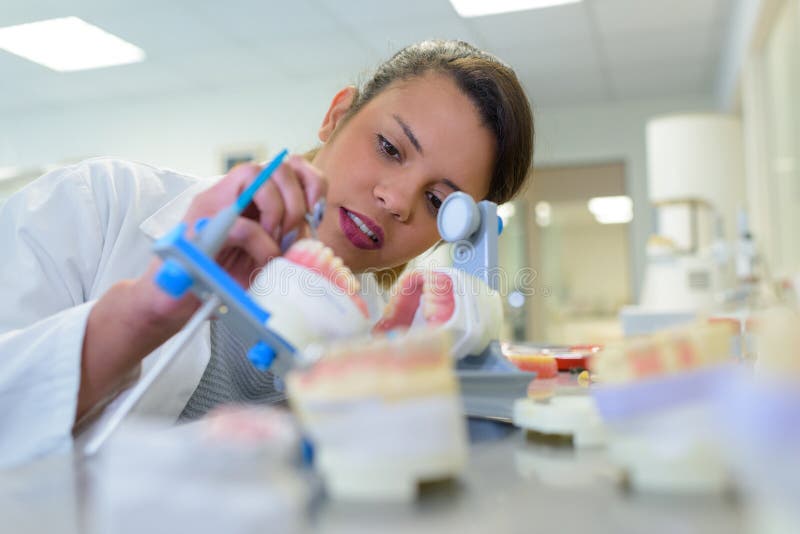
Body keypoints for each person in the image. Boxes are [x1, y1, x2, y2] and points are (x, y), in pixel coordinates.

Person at [0, 40, 534, 466]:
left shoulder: (377, 337)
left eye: (438, 200)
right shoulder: (99, 204)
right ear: (337, 115)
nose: (396, 200)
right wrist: (145, 313)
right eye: (390, 148)